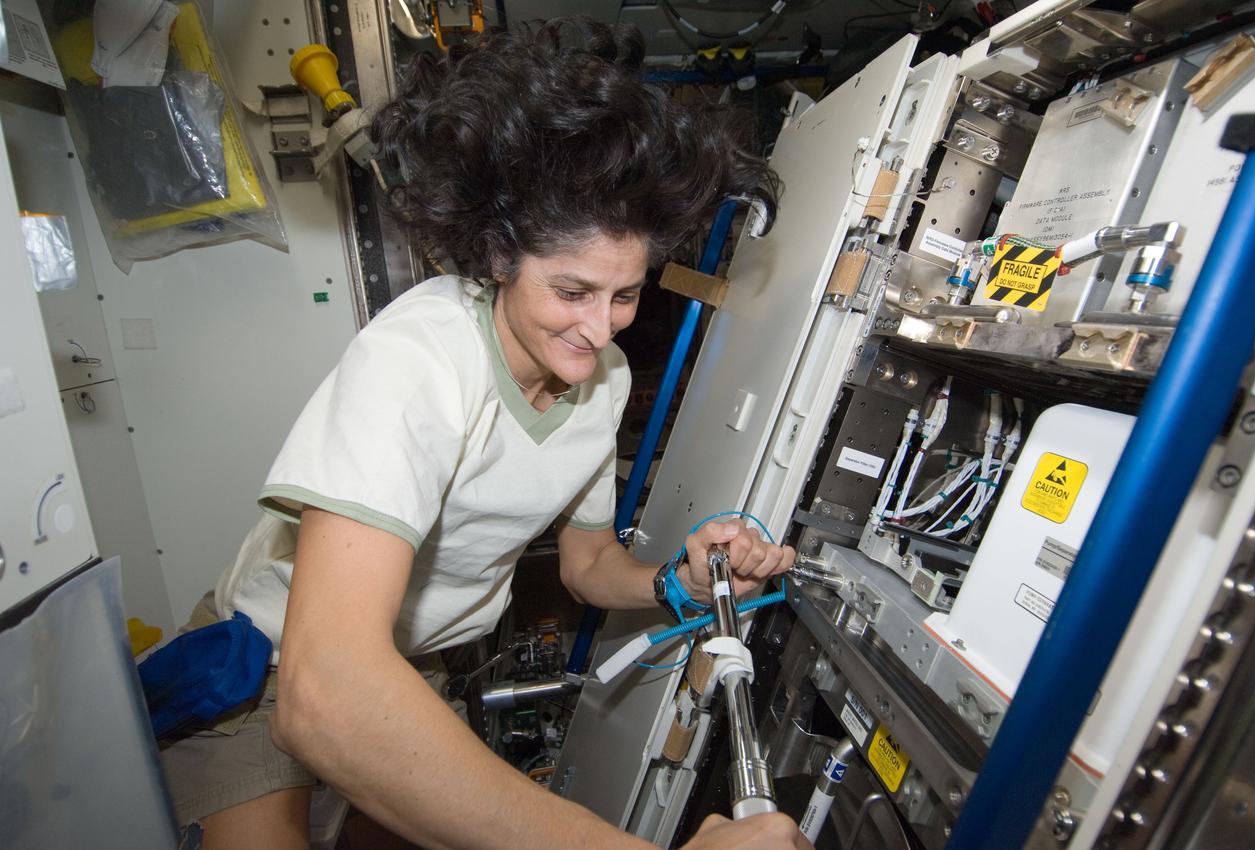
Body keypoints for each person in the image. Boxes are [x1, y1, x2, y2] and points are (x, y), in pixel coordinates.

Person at [160, 18, 807, 850]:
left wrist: (679, 583)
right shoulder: (420, 358)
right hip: (272, 666)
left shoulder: (599, 383)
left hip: (413, 670)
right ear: (501, 257)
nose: (599, 328)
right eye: (571, 290)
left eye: (624, 295)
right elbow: (325, 693)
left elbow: (587, 566)